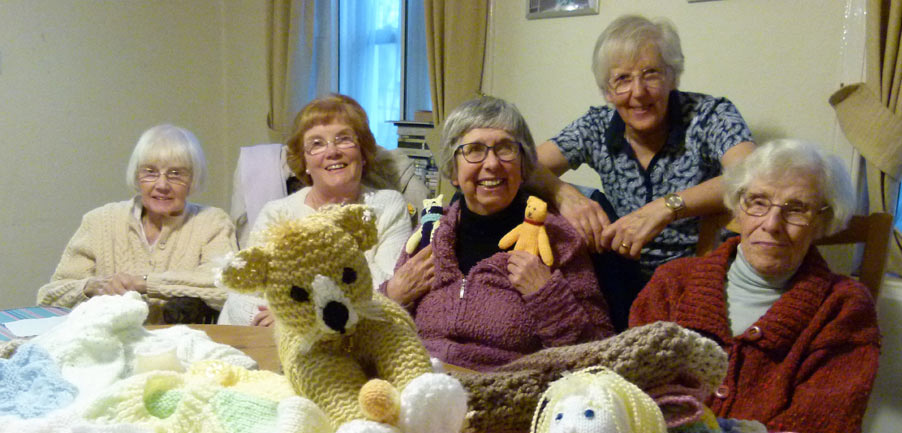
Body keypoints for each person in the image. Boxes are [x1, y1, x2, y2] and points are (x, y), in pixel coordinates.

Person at [628, 139, 880, 433]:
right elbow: (629, 400)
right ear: (738, 208)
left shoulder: (842, 308)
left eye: (796, 208)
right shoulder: (672, 284)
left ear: (822, 221)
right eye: (758, 202)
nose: (772, 223)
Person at [528, 14, 756, 329]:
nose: (638, 92)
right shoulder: (596, 125)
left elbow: (754, 176)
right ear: (607, 91)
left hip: (700, 278)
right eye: (622, 79)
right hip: (620, 279)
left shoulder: (710, 114)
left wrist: (668, 207)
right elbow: (524, 164)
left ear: (672, 77)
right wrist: (565, 194)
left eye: (651, 74)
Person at [382, 96, 614, 371]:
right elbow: (375, 335)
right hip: (418, 386)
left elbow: (599, 357)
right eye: (474, 150)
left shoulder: (558, 239)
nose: (491, 163)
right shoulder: (429, 234)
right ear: (453, 171)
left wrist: (547, 295)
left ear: (523, 166)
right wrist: (391, 296)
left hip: (506, 395)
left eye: (505, 149)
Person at [218, 94, 412, 326]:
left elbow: (388, 286)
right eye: (317, 144)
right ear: (305, 162)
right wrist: (286, 320)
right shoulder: (277, 213)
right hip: (267, 340)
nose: (332, 152)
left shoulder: (387, 206)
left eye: (343, 139)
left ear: (362, 153)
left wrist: (295, 316)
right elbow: (243, 291)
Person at [37, 124, 237, 324]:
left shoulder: (213, 222)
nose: (162, 185)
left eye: (176, 174)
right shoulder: (99, 221)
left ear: (193, 179)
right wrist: (91, 286)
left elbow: (228, 288)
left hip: (182, 346)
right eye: (150, 172)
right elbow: (49, 296)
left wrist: (146, 283)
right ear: (136, 175)